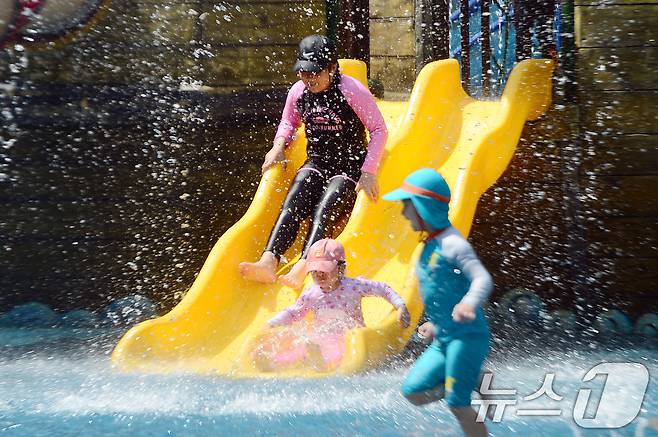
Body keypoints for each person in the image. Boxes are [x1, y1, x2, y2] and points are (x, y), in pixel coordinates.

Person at [238, 34, 388, 289]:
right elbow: (289, 122)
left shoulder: (351, 91)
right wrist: (278, 146)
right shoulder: (299, 92)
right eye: (304, 73)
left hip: (349, 165)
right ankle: (268, 261)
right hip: (317, 161)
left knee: (323, 209)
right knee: (293, 201)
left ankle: (303, 267)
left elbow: (379, 130)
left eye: (315, 73)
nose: (309, 79)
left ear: (332, 68)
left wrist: (369, 171)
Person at [383, 168, 494, 437]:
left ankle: (467, 389)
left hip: (467, 337)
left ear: (424, 207)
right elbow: (443, 291)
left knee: (458, 403)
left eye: (407, 206)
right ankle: (473, 379)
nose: (403, 213)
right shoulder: (429, 245)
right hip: (444, 338)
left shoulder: (453, 244)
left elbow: (482, 279)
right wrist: (435, 323)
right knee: (414, 392)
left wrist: (469, 303)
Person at [252, 238, 410, 372]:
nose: (319, 274)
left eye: (324, 270)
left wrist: (400, 305)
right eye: (315, 271)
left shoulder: (354, 286)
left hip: (349, 338)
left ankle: (320, 363)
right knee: (301, 350)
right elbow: (293, 313)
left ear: (341, 269)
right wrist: (272, 324)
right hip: (321, 338)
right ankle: (272, 363)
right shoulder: (311, 294)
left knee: (335, 352)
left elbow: (383, 289)